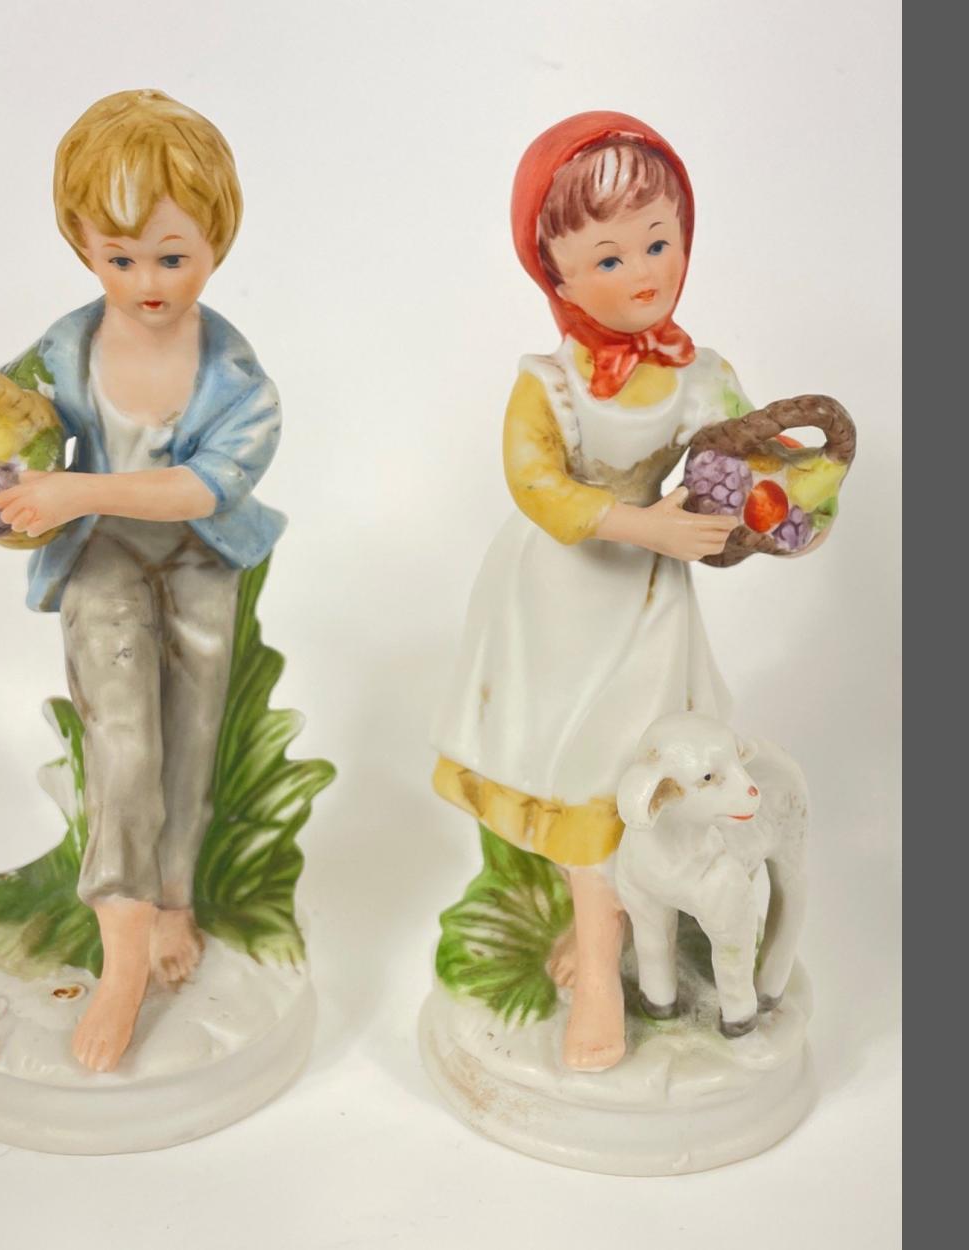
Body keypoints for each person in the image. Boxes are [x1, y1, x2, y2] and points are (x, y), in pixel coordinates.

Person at [0, 90, 284, 1072]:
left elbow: (206, 487)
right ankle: (122, 945)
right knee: (123, 739)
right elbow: (0, 433)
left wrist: (75, 486)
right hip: (103, 559)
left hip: (200, 559)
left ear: (216, 239)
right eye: (118, 259)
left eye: (172, 257)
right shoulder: (63, 349)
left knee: (192, 740)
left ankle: (175, 899)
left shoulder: (237, 376)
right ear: (82, 245)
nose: (146, 283)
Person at [431, 112, 746, 1072]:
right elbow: (537, 487)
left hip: (649, 607)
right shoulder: (552, 385)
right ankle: (600, 963)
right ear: (556, 277)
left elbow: (743, 462)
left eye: (658, 241)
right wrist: (645, 525)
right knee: (575, 772)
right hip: (560, 601)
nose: (643, 272)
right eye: (608, 258)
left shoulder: (703, 377)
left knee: (634, 768)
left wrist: (767, 498)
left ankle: (630, 934)